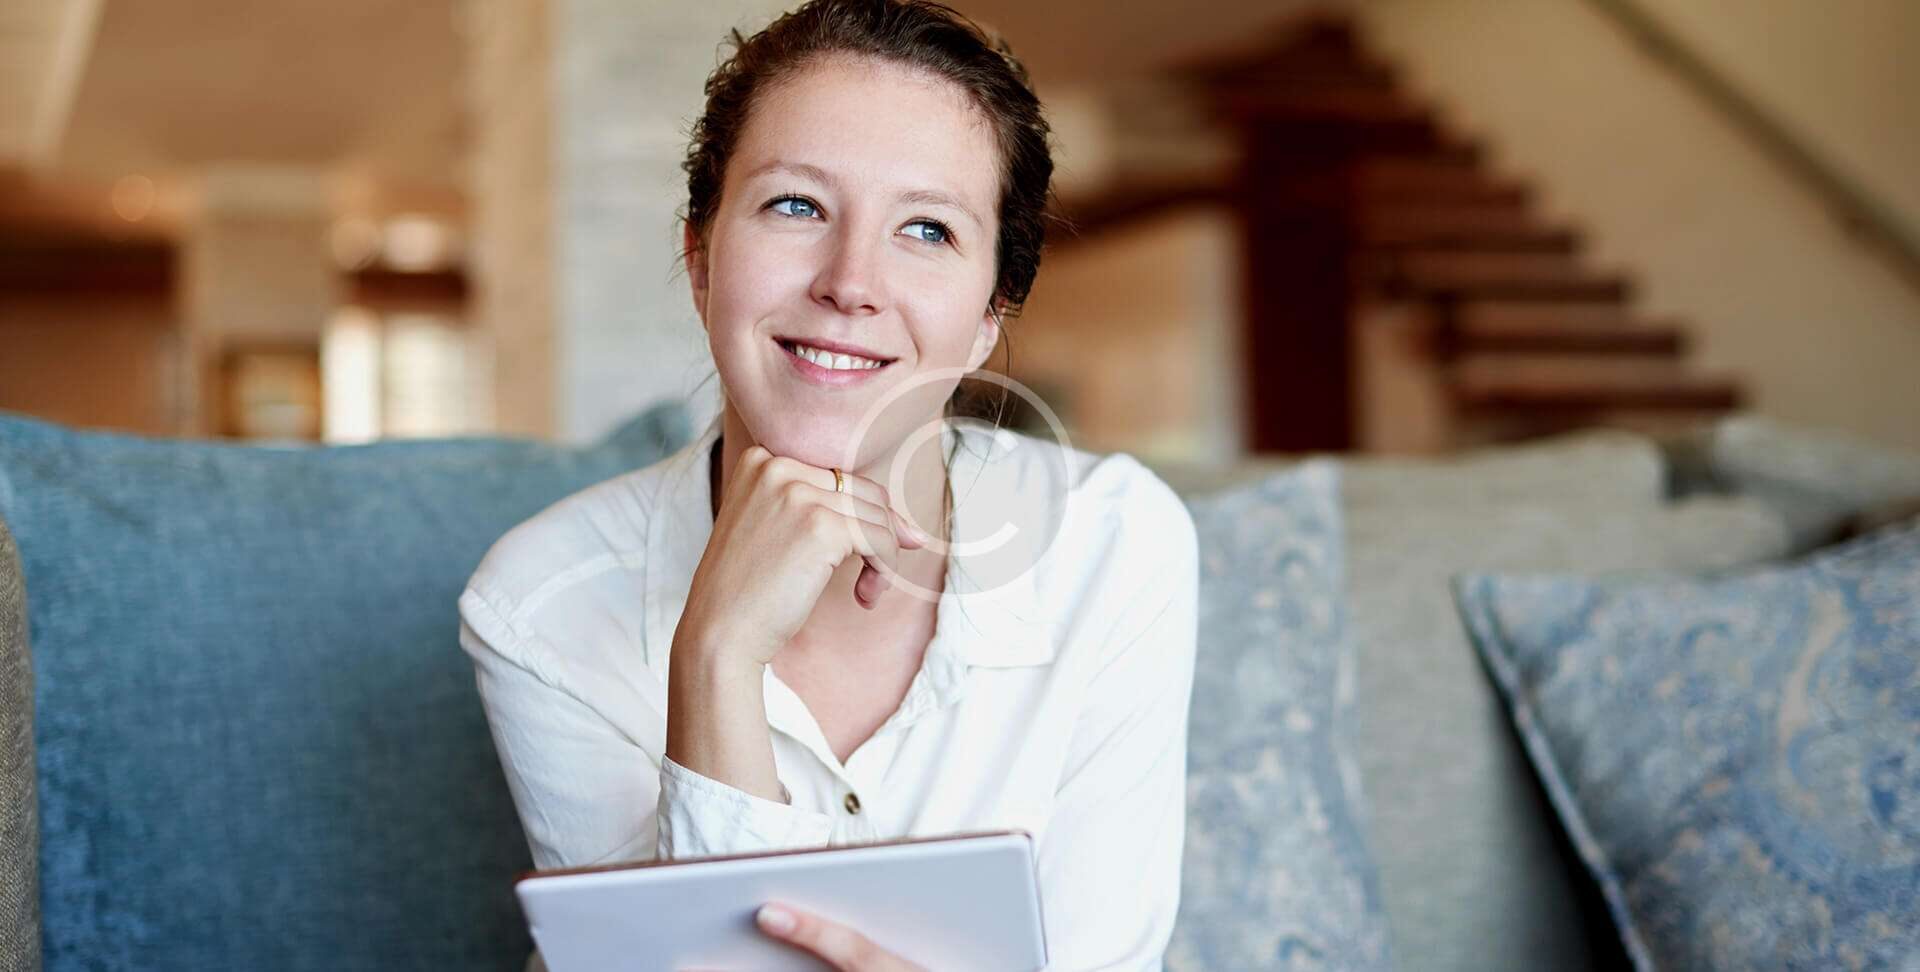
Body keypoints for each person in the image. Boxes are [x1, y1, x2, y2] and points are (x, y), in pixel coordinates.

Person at [457, 1, 1199, 968]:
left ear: (988, 315)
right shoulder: (538, 605)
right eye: (796, 206)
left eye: (927, 229)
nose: (852, 282)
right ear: (700, 259)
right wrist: (716, 654)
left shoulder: (1114, 541)